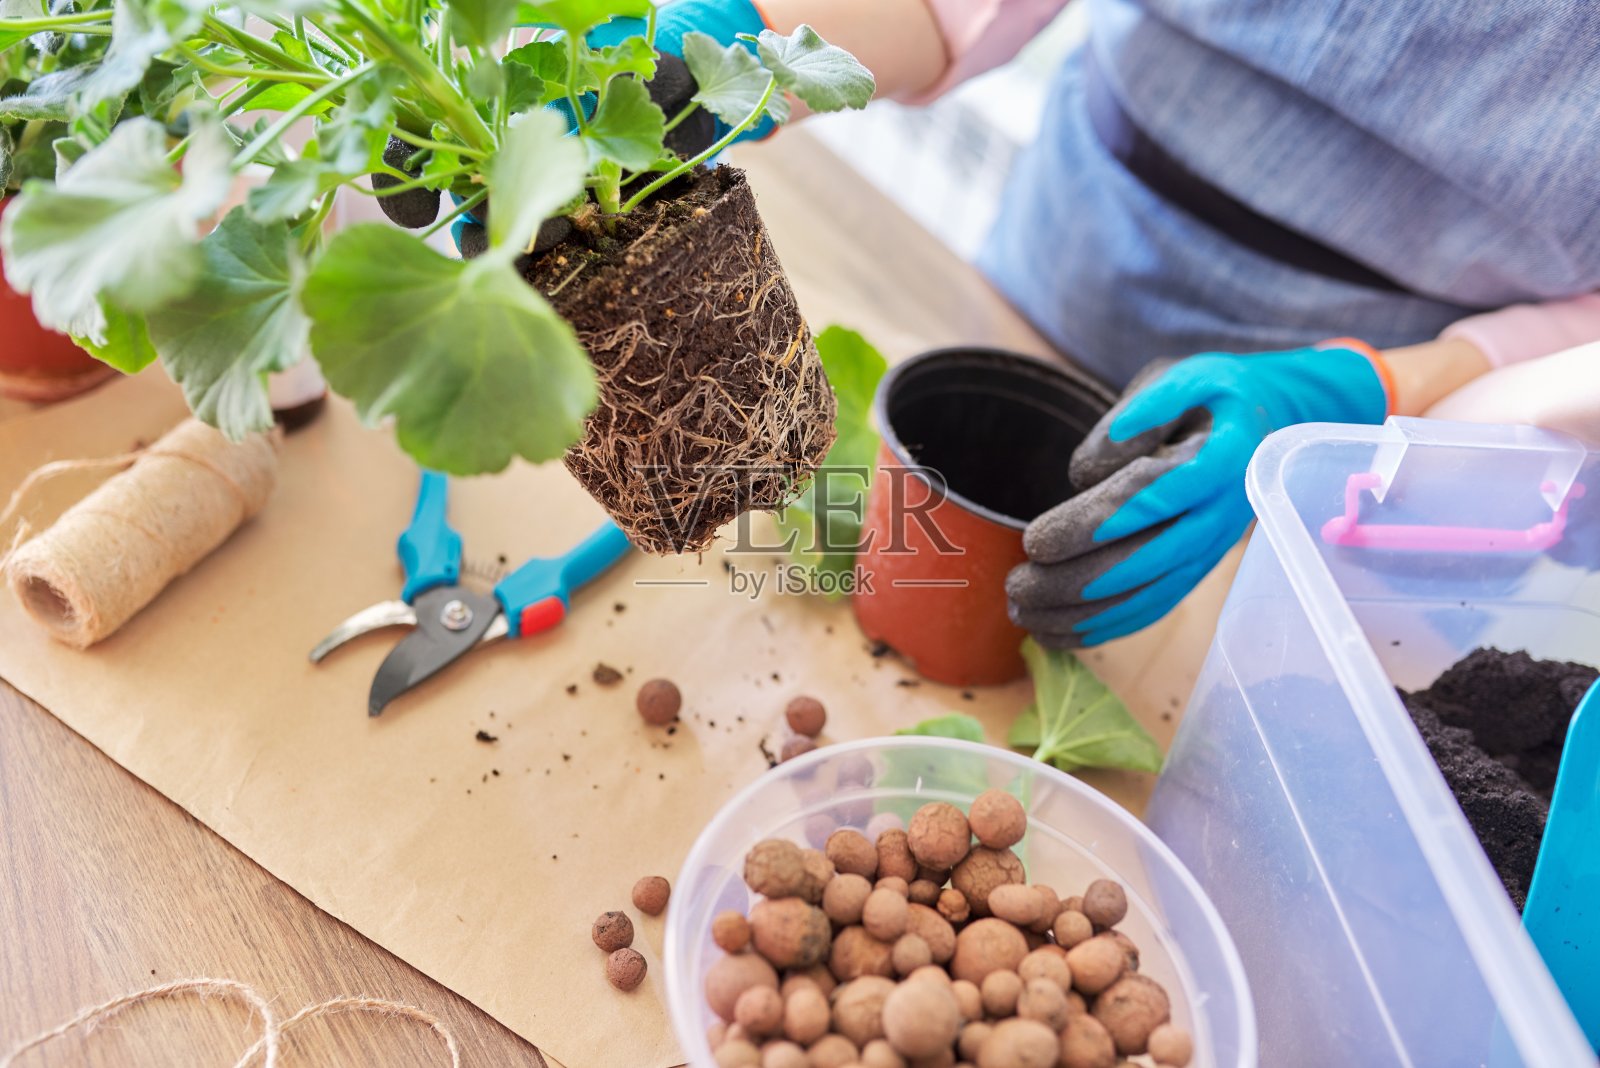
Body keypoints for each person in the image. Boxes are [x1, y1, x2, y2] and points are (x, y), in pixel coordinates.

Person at [568, 0, 1600, 643]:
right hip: (1076, 237)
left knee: (1195, 643)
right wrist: (736, 36)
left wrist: (1369, 403)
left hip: (1422, 403)